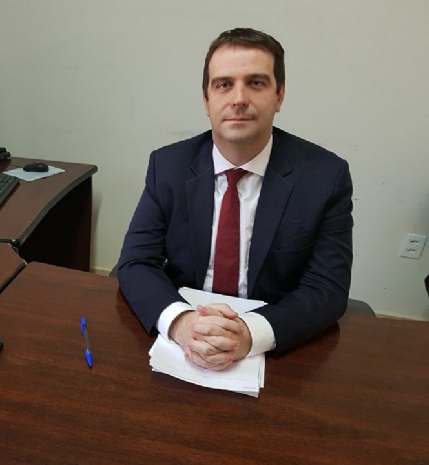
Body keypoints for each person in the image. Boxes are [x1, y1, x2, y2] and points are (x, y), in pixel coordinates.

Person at [117, 28, 353, 371]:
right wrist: (181, 323)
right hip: (184, 341)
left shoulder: (325, 177)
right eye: (224, 84)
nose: (238, 98)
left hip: (274, 346)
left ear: (279, 95)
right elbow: (136, 262)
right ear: (206, 100)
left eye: (255, 83)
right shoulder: (168, 166)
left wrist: (249, 334)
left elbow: (327, 288)